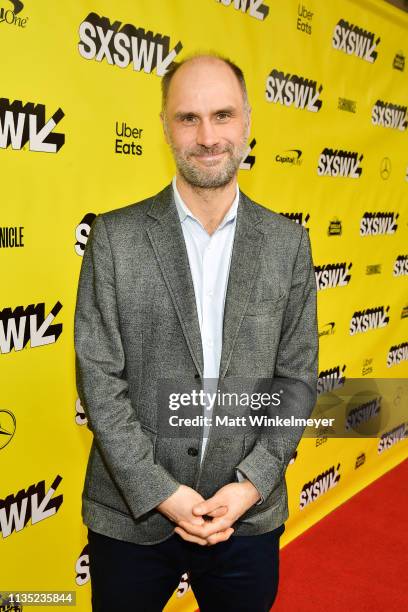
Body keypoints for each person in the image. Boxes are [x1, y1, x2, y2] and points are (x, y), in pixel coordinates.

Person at [74, 52, 318, 612]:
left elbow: (297, 378)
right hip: (130, 519)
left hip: (248, 519)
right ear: (164, 125)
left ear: (248, 122)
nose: (208, 136)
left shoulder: (288, 245)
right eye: (188, 118)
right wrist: (162, 493)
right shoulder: (114, 239)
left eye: (222, 115)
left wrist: (253, 483)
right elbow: (100, 380)